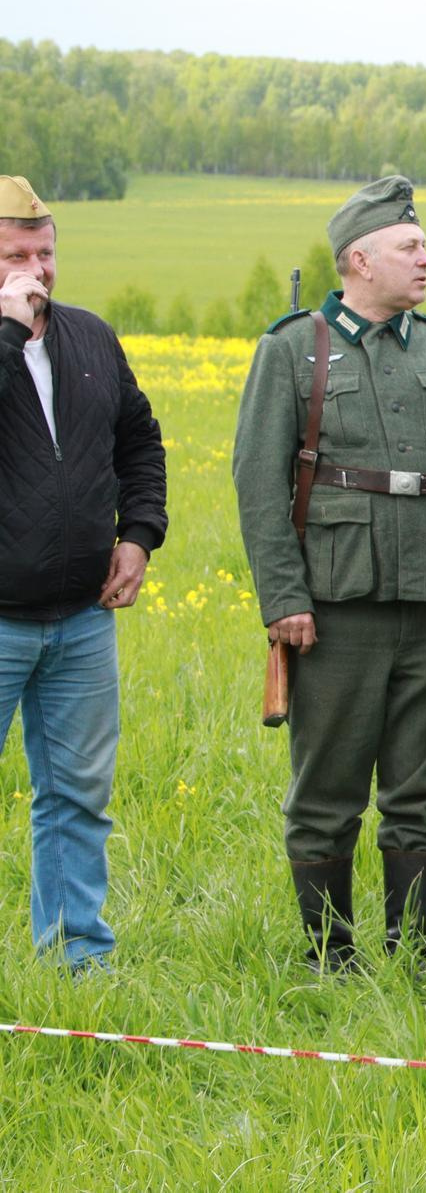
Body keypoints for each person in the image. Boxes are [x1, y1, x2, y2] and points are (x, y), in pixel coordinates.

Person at [233, 175, 426, 969]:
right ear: (359, 258)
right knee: (327, 793)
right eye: (408, 246)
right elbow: (258, 481)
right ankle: (329, 957)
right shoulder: (293, 349)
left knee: (423, 793)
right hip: (334, 608)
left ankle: (412, 957)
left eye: (423, 245)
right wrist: (283, 598)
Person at [0, 175, 164, 971]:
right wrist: (5, 329)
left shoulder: (91, 339)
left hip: (80, 619)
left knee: (76, 798)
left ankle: (76, 959)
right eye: (14, 254)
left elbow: (140, 441)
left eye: (44, 251)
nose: (35, 268)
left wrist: (137, 534)